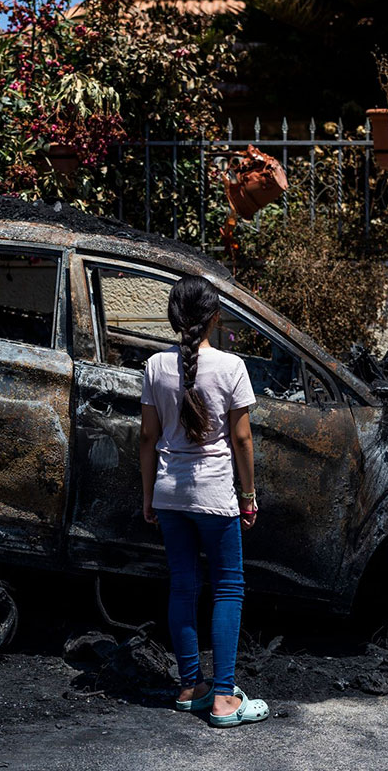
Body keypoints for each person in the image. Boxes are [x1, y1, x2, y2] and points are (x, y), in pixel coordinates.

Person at [139, 275, 270, 728]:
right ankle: (223, 700)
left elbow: (147, 438)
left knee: (183, 586)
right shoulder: (232, 367)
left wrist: (148, 495)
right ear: (215, 316)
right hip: (215, 495)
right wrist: (249, 497)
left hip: (170, 493)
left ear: (175, 316)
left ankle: (191, 687)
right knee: (228, 588)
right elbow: (242, 438)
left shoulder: (155, 366)